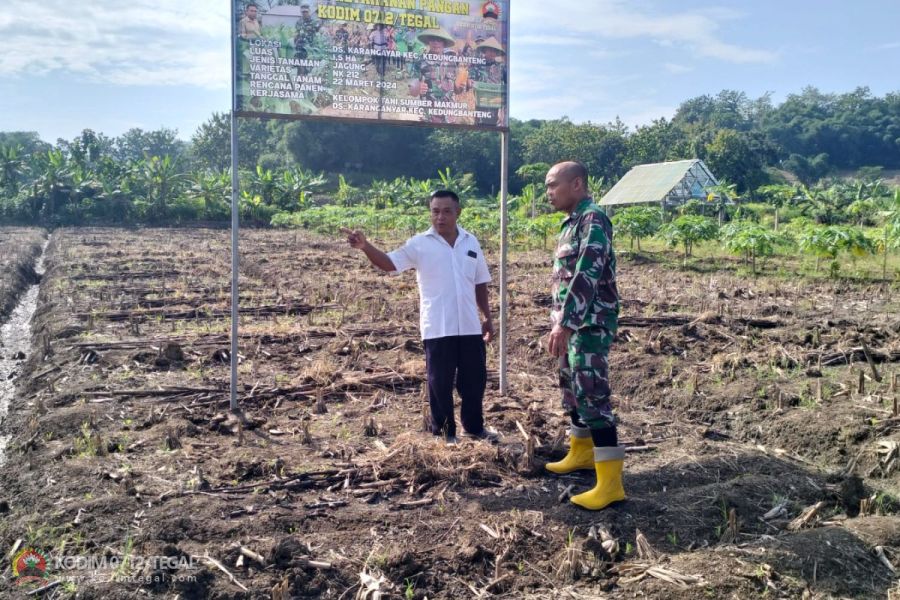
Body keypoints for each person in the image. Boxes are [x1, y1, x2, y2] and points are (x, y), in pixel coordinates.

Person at [340, 191, 499, 445]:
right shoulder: (419, 244)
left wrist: (488, 317)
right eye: (435, 211)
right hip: (438, 325)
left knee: (475, 380)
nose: (440, 217)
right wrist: (365, 247)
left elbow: (480, 282)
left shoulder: (471, 242)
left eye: (447, 211)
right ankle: (445, 433)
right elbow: (390, 263)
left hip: (469, 325)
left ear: (458, 212)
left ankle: (475, 427)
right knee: (440, 383)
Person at [543, 161, 624, 511]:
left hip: (588, 325)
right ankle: (581, 454)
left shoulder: (594, 220)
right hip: (571, 323)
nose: (548, 192)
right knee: (572, 391)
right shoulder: (570, 223)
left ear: (576, 184)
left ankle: (610, 485)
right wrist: (559, 321)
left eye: (553, 185)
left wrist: (567, 323)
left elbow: (586, 275)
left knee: (593, 397)